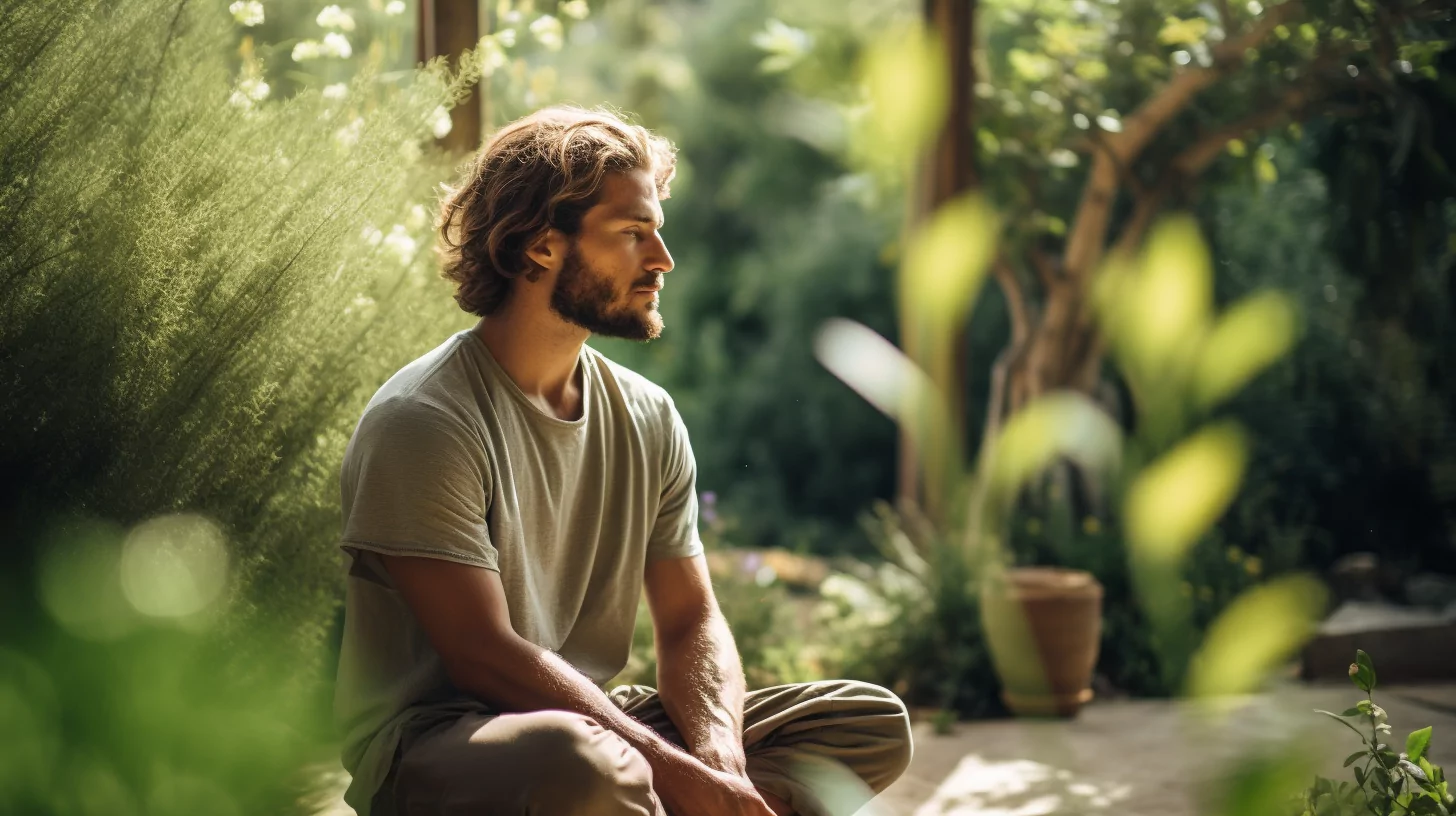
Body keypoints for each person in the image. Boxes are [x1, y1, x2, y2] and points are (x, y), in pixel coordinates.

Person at [333, 106, 913, 816]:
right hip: (444, 745)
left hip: (593, 723)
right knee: (582, 764)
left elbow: (689, 617)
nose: (663, 259)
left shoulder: (647, 415)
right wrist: (672, 772)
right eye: (634, 235)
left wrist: (715, 759)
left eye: (657, 231)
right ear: (542, 248)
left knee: (866, 722)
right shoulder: (425, 420)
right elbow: (481, 653)